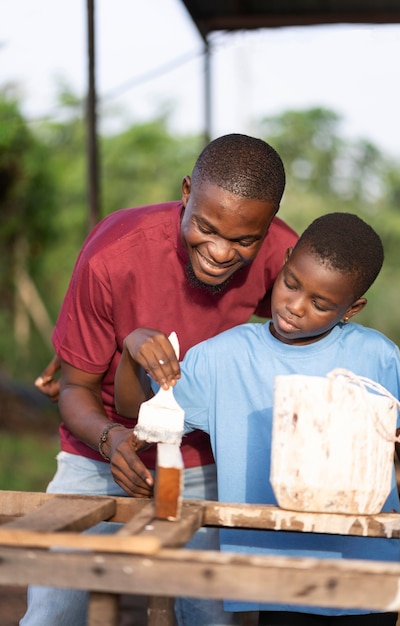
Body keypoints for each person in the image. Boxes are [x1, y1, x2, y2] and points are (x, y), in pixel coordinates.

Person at [22, 133, 298, 626]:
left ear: (269, 222)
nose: (219, 252)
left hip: (204, 456)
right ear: (187, 191)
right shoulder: (115, 253)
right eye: (207, 228)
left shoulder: (283, 254)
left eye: (243, 240)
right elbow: (75, 389)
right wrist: (110, 440)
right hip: (99, 454)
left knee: (208, 614)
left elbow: (316, 326)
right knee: (52, 613)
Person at [115, 212, 400, 626]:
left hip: (366, 571)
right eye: (291, 284)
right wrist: (133, 351)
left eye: (320, 303)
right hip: (277, 574)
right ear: (286, 261)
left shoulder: (376, 356)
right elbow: (137, 412)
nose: (294, 306)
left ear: (353, 308)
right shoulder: (224, 358)